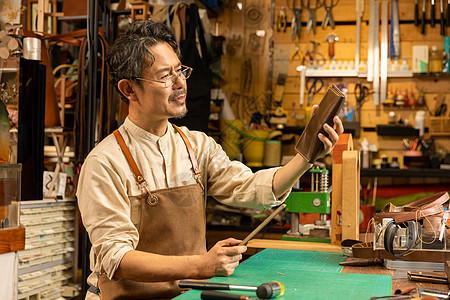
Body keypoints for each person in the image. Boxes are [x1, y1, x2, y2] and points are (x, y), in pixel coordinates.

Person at [76, 19, 344, 300]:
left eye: (180, 71)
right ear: (129, 90)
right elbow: (117, 260)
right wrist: (201, 264)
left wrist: (306, 154)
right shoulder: (105, 163)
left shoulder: (195, 146)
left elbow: (249, 189)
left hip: (184, 294)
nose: (180, 84)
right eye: (165, 76)